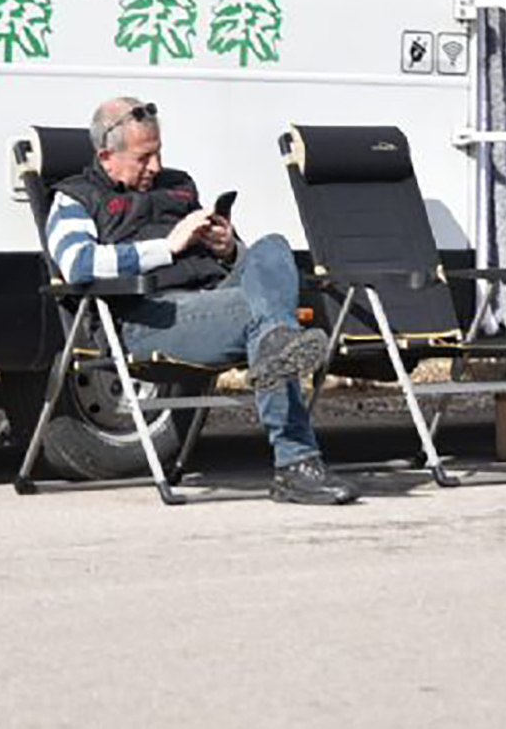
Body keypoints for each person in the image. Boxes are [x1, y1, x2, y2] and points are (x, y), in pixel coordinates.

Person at [44, 96, 359, 505]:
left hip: (212, 297)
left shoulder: (178, 186)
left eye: (159, 153)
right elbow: (78, 265)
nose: (155, 166)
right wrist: (169, 246)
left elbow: (251, 269)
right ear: (106, 155)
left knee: (272, 249)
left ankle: (277, 344)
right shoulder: (74, 199)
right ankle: (295, 463)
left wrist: (228, 249)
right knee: (264, 321)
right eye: (144, 157)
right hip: (151, 320)